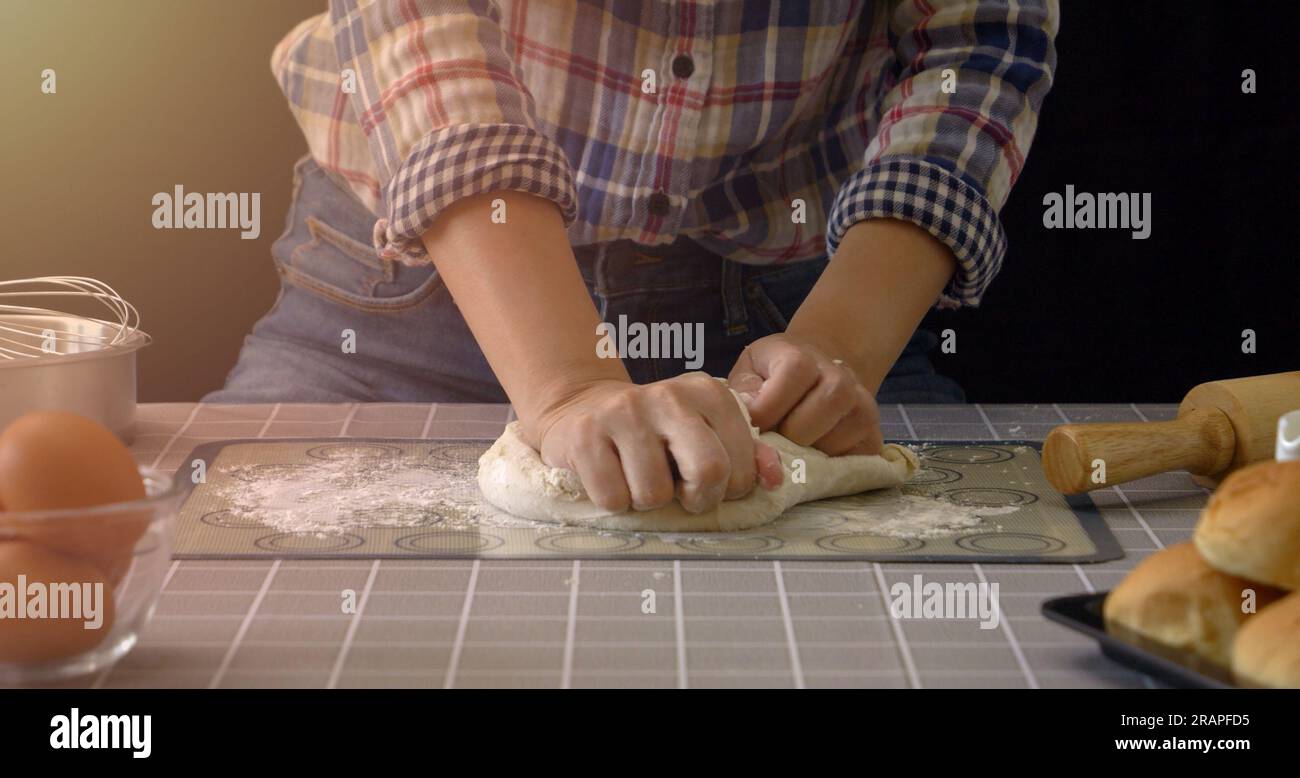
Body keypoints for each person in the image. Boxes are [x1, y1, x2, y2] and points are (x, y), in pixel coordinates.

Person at [208, 0, 1058, 516]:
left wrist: (838, 347)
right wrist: (568, 386)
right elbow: (421, 31)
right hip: (405, 299)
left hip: (809, 304)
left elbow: (981, 42)